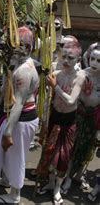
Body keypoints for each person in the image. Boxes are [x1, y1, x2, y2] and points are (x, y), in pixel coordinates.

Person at [0, 27, 39, 204]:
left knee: (17, 157)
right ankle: (6, 179)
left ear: (27, 48)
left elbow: (18, 103)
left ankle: (14, 195)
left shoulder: (24, 71)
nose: (11, 49)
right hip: (18, 116)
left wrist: (8, 131)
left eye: (15, 45)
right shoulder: (21, 63)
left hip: (21, 119)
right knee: (9, 154)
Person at [37, 39, 85, 205]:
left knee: (63, 158)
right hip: (55, 118)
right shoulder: (56, 74)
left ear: (78, 60)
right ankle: (50, 183)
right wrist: (43, 122)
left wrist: (55, 87)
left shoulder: (80, 77)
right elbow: (47, 101)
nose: (66, 61)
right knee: (50, 153)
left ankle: (58, 187)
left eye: (70, 58)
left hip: (69, 121)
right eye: (64, 56)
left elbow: (71, 100)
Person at [60, 47, 100, 195]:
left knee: (86, 149)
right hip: (77, 116)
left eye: (99, 60)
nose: (95, 63)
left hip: (93, 120)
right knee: (72, 147)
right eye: (93, 59)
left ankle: (76, 174)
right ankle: (66, 176)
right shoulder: (82, 74)